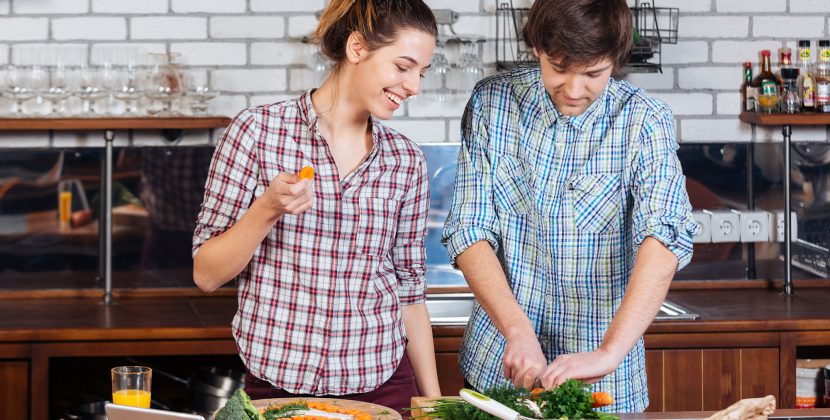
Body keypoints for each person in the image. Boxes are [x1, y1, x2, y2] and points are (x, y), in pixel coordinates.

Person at [442, 0, 697, 412]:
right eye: (558, 67)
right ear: (537, 49)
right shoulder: (493, 104)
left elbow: (664, 237)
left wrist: (609, 352)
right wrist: (518, 331)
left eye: (594, 73)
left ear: (615, 60)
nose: (574, 90)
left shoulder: (644, 121)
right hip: (499, 369)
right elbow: (468, 230)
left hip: (604, 384)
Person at [192, 0, 441, 413]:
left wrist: (433, 405)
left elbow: (409, 293)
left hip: (381, 386)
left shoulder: (406, 161)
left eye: (421, 73)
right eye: (403, 67)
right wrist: (266, 209)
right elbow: (206, 274)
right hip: (277, 390)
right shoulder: (258, 133)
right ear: (357, 48)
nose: (414, 86)